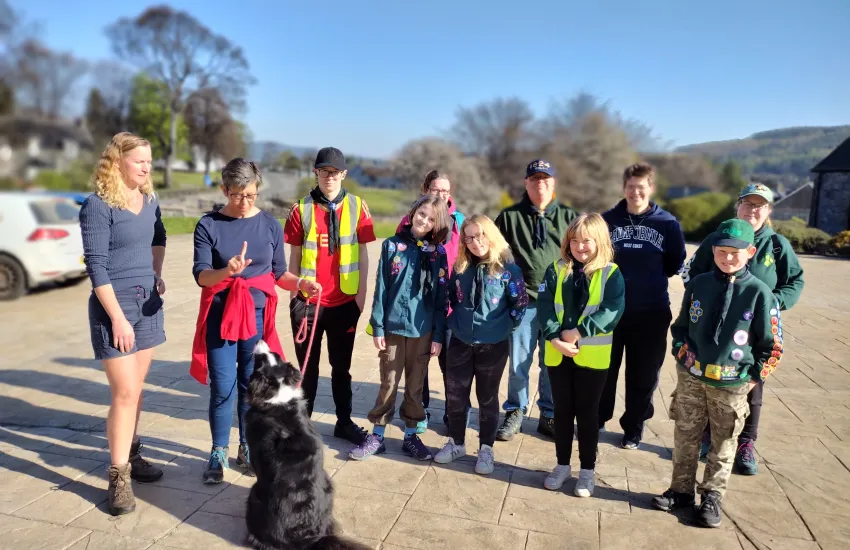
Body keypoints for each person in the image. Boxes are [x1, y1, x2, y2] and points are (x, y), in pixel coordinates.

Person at [190, 158, 321, 484]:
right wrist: (227, 272)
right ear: (224, 190)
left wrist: (301, 283)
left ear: (257, 189)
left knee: (254, 387)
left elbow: (279, 274)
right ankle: (217, 452)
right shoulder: (209, 225)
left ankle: (247, 448)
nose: (245, 201)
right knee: (223, 388)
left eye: (250, 194)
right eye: (237, 195)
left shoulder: (269, 226)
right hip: (222, 318)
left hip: (258, 319)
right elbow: (202, 276)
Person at [653, 218, 782, 528]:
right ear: (713, 251)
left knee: (724, 443)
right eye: (721, 251)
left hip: (732, 383)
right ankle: (680, 490)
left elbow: (772, 347)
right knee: (686, 435)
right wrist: (683, 358)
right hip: (693, 379)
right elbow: (681, 327)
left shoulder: (760, 294)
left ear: (750, 252)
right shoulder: (699, 285)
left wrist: (752, 378)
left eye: (735, 253)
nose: (727, 258)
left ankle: (711, 495)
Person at [681, 183, 804, 474]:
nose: (753, 210)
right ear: (738, 205)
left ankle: (746, 443)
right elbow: (693, 273)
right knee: (710, 378)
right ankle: (708, 438)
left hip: (752, 329)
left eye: (759, 205)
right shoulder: (718, 238)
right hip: (713, 324)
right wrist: (703, 300)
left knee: (752, 385)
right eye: (748, 204)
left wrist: (773, 302)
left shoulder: (776, 245)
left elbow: (795, 281)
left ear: (768, 211)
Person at [79, 132, 167, 516]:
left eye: (149, 161)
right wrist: (117, 318)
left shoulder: (149, 200)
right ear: (118, 162)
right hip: (113, 308)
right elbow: (96, 267)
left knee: (137, 390)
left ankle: (131, 454)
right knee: (125, 392)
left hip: (147, 304)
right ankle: (118, 477)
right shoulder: (97, 207)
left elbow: (159, 236)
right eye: (140, 161)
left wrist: (157, 273)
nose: (147, 167)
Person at [284, 147, 376, 445]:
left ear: (343, 175)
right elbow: (295, 255)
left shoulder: (358, 207)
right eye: (324, 171)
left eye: (334, 172)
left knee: (341, 368)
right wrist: (294, 295)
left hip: (345, 302)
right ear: (316, 173)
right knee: (307, 369)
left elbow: (363, 253)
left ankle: (344, 422)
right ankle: (303, 426)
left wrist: (362, 295)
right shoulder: (301, 208)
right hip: (308, 303)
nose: (329, 177)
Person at [351, 195, 450, 461]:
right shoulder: (392, 246)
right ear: (413, 212)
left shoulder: (438, 254)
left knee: (415, 386)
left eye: (431, 219)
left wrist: (438, 335)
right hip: (393, 328)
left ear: (436, 224)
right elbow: (381, 289)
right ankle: (378, 435)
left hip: (423, 331)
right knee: (389, 382)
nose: (424, 221)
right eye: (422, 214)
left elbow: (442, 299)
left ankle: (410, 436)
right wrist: (378, 327)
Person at [598, 163, 686, 449]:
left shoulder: (668, 224)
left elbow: (674, 265)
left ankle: (633, 427)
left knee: (643, 375)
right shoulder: (607, 221)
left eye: (641, 187)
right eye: (631, 186)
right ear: (623, 188)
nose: (636, 192)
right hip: (610, 313)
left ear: (651, 188)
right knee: (603, 372)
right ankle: (596, 419)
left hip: (651, 314)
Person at [537, 213, 625, 497]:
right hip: (558, 355)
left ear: (599, 241)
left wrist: (579, 331)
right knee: (562, 413)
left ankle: (587, 471)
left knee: (587, 415)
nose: (580, 246)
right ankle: (562, 465)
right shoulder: (555, 269)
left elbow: (611, 310)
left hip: (592, 360)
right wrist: (555, 337)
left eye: (586, 241)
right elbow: (545, 307)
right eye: (574, 240)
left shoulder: (611, 273)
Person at [434, 215, 529, 475]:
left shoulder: (508, 270)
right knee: (455, 395)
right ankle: (456, 442)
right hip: (461, 340)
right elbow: (452, 297)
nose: (476, 243)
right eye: (469, 238)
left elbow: (519, 304)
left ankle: (486, 448)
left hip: (493, 344)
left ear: (490, 235)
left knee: (487, 398)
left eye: (480, 235)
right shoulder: (461, 267)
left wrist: (503, 328)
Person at [495, 159, 579, 441]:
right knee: (519, 361)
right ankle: (515, 411)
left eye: (545, 179)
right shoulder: (509, 217)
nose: (540, 184)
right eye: (534, 179)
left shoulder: (570, 217)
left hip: (558, 305)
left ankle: (549, 414)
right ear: (526, 183)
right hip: (525, 302)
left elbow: (582, 257)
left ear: (553, 183)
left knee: (551, 362)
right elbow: (495, 256)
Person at [396, 170, 466, 430]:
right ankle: (419, 410)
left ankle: (453, 413)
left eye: (446, 191)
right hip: (418, 307)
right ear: (425, 189)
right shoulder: (410, 221)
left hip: (450, 307)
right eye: (436, 190)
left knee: (452, 366)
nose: (441, 195)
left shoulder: (459, 222)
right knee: (418, 364)